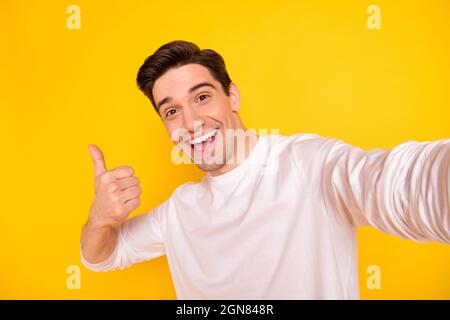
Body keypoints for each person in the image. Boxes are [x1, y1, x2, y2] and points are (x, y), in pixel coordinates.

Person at [80, 40, 449, 299]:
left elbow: (399, 185)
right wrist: (99, 220)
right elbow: (101, 257)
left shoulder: (308, 164)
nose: (190, 122)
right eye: (172, 111)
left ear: (233, 96)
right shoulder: (179, 210)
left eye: (202, 97)